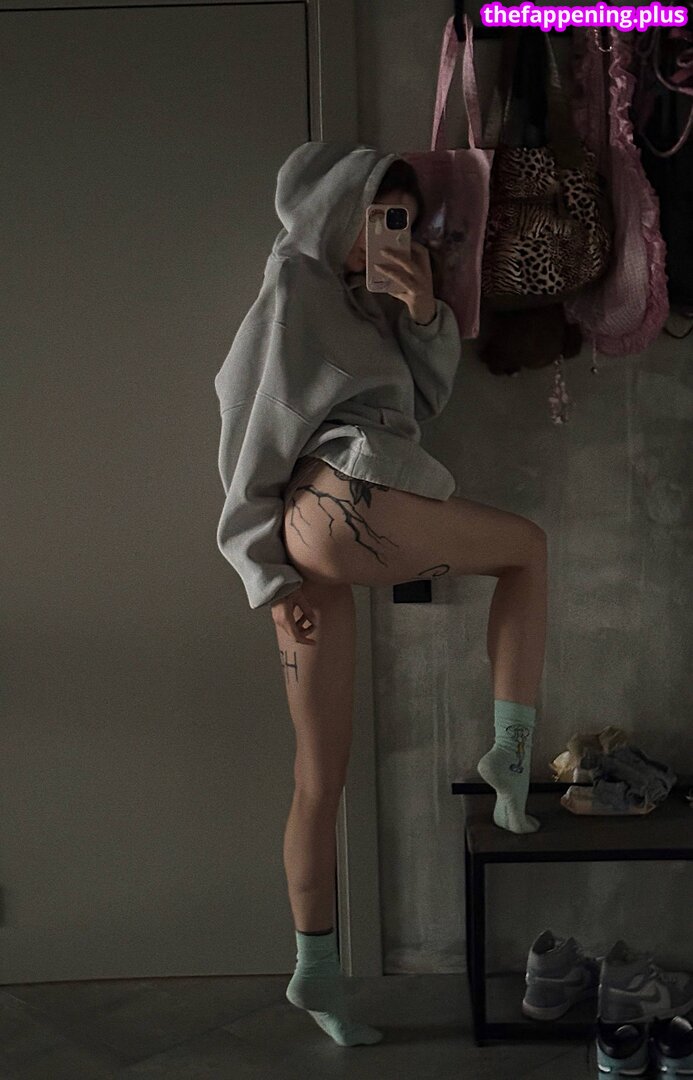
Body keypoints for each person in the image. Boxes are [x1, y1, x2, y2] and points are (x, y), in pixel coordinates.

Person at [213, 141, 548, 1047]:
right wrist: (258, 567)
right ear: (334, 211)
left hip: (322, 533)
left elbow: (419, 408)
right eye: (377, 217)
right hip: (332, 500)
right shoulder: (293, 288)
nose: (391, 236)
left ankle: (315, 974)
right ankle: (511, 758)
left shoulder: (367, 303)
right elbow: (246, 428)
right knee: (527, 551)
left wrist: (424, 312)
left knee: (317, 777)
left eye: (403, 219)